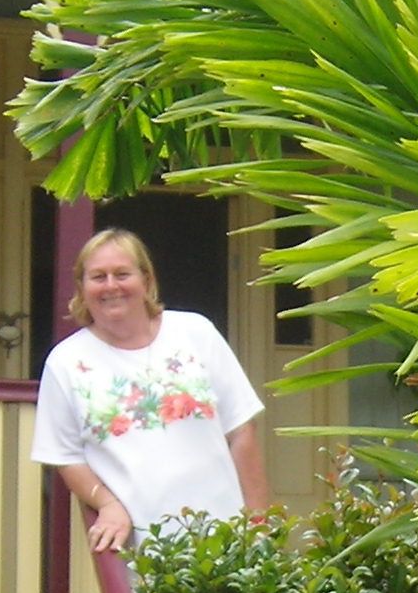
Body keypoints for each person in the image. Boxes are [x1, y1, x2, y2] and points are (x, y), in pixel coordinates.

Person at [31, 228, 268, 557]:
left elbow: (242, 430)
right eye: (98, 277)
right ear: (82, 287)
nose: (111, 286)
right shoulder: (66, 362)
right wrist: (107, 502)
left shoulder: (195, 333)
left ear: (146, 279)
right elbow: (65, 456)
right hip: (143, 553)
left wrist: (259, 528)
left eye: (122, 274)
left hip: (226, 540)